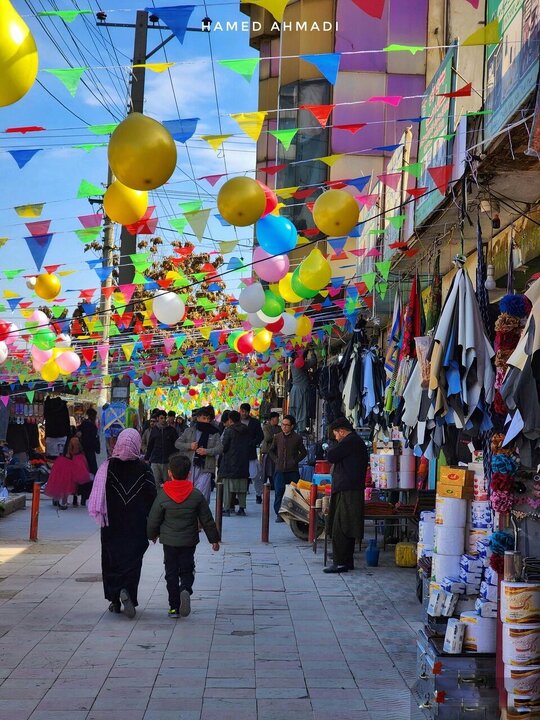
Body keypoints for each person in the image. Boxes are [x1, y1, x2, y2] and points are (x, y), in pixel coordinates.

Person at [88, 429, 156, 617]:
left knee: (112, 560)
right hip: (137, 525)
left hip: (111, 524)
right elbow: (153, 496)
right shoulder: (144, 468)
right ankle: (128, 592)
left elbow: (98, 495)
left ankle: (115, 600)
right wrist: (155, 525)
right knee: (133, 561)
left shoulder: (107, 468)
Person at [147, 453, 220, 619]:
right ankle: (185, 589)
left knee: (171, 572)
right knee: (187, 568)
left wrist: (152, 535)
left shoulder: (163, 495)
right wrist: (214, 539)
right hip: (189, 540)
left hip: (169, 542)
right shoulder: (196, 495)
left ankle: (174, 607)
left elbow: (153, 518)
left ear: (170, 473)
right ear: (188, 474)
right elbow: (207, 519)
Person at [323, 417, 368, 574]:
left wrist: (333, 445)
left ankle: (341, 562)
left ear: (342, 431)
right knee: (346, 525)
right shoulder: (354, 441)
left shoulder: (350, 441)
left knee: (341, 526)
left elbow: (331, 456)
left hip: (348, 489)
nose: (335, 437)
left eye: (336, 434)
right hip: (347, 488)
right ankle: (346, 561)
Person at [174, 407, 222, 503]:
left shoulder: (214, 433)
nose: (206, 421)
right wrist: (190, 446)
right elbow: (177, 444)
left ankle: (202, 515)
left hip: (206, 468)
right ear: (198, 418)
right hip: (189, 467)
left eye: (208, 419)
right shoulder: (189, 431)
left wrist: (206, 451)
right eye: (204, 418)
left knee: (202, 495)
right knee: (188, 494)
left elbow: (220, 448)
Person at [269, 415, 307, 522]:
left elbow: (304, 452)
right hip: (279, 470)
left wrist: (294, 461)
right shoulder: (277, 437)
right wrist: (276, 460)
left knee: (293, 492)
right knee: (279, 491)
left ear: (292, 426)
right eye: (283, 424)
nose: (284, 427)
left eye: (287, 425)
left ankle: (293, 513)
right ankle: (279, 514)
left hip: (292, 470)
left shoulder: (297, 438)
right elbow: (271, 450)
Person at [219, 410, 250, 516]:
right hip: (243, 462)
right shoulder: (246, 430)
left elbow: (224, 446)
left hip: (230, 462)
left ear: (230, 419)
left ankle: (226, 508)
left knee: (228, 486)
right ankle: (242, 508)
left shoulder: (229, 430)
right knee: (242, 486)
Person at [45, 436, 90, 509]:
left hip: (66, 463)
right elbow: (76, 451)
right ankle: (65, 501)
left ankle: (59, 499)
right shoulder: (80, 455)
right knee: (69, 484)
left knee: (63, 483)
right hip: (73, 464)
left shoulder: (69, 445)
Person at [144, 410, 179, 488]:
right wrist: (146, 458)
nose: (163, 420)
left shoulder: (171, 430)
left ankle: (167, 499)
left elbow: (176, 445)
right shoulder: (154, 430)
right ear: (158, 419)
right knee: (155, 483)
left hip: (167, 462)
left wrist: (174, 458)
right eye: (161, 418)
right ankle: (157, 499)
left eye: (164, 418)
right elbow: (150, 445)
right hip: (155, 461)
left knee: (168, 484)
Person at [239, 403, 264, 500]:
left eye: (246, 412)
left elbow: (260, 436)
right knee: (241, 476)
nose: (244, 413)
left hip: (250, 453)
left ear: (249, 412)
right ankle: (241, 496)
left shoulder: (255, 422)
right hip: (239, 454)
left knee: (255, 475)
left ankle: (259, 494)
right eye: (243, 411)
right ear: (240, 411)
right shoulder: (237, 422)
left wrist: (253, 443)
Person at [76, 407, 100, 507]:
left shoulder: (82, 425)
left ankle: (79, 496)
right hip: (90, 454)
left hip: (81, 454)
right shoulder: (93, 427)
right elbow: (95, 441)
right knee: (92, 475)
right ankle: (87, 496)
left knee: (81, 474)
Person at [260, 412, 281, 492]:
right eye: (277, 418)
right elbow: (267, 438)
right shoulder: (266, 427)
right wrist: (276, 436)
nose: (278, 420)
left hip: (276, 451)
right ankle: (264, 486)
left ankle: (274, 484)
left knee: (274, 469)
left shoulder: (279, 428)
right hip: (267, 451)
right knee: (266, 470)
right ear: (272, 419)